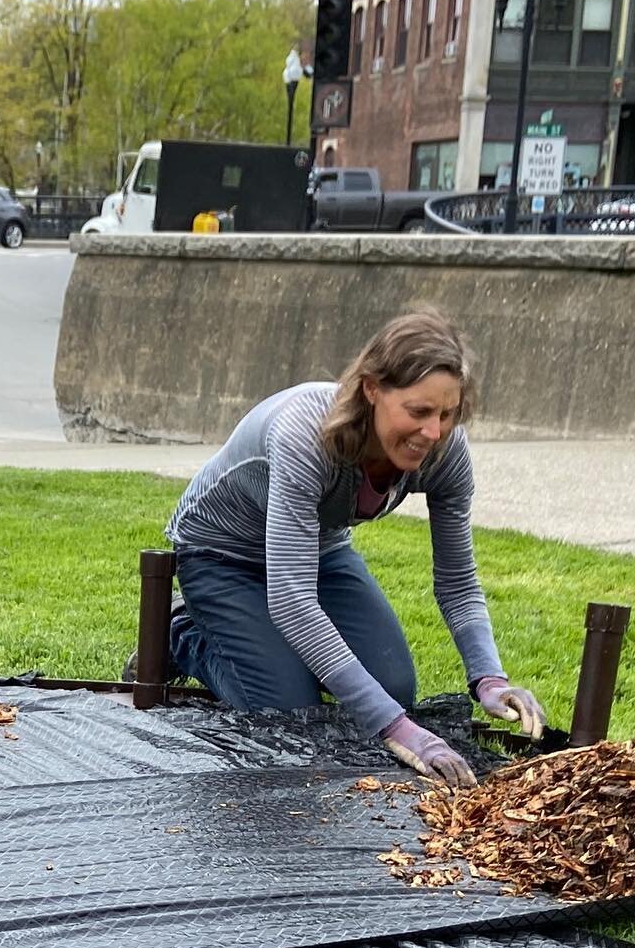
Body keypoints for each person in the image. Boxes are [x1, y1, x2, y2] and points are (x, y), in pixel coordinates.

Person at [158, 309, 543, 786]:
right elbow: (293, 600)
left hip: (315, 552)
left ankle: (264, 648)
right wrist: (398, 730)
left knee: (394, 689)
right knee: (291, 710)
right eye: (418, 412)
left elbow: (459, 582)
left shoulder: (444, 452)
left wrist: (489, 678)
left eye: (447, 414)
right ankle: (183, 635)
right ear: (372, 389)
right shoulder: (306, 433)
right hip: (222, 555)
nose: (433, 432)